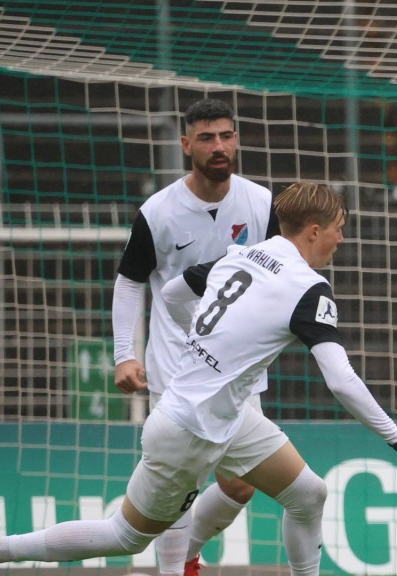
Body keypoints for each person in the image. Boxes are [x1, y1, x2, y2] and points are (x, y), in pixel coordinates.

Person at [0, 182, 397, 576]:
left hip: (228, 416)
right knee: (126, 535)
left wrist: (203, 340)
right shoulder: (308, 288)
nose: (341, 238)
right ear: (314, 230)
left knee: (309, 494)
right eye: (338, 227)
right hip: (186, 430)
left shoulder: (240, 255)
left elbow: (175, 294)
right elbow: (341, 382)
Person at [111, 98, 278, 576]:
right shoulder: (159, 211)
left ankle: (186, 554)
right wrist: (125, 354)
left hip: (240, 372)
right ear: (187, 145)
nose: (219, 146)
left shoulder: (263, 203)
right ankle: (176, 569)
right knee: (178, 486)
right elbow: (129, 281)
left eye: (226, 135)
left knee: (242, 485)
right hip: (178, 368)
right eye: (207, 138)